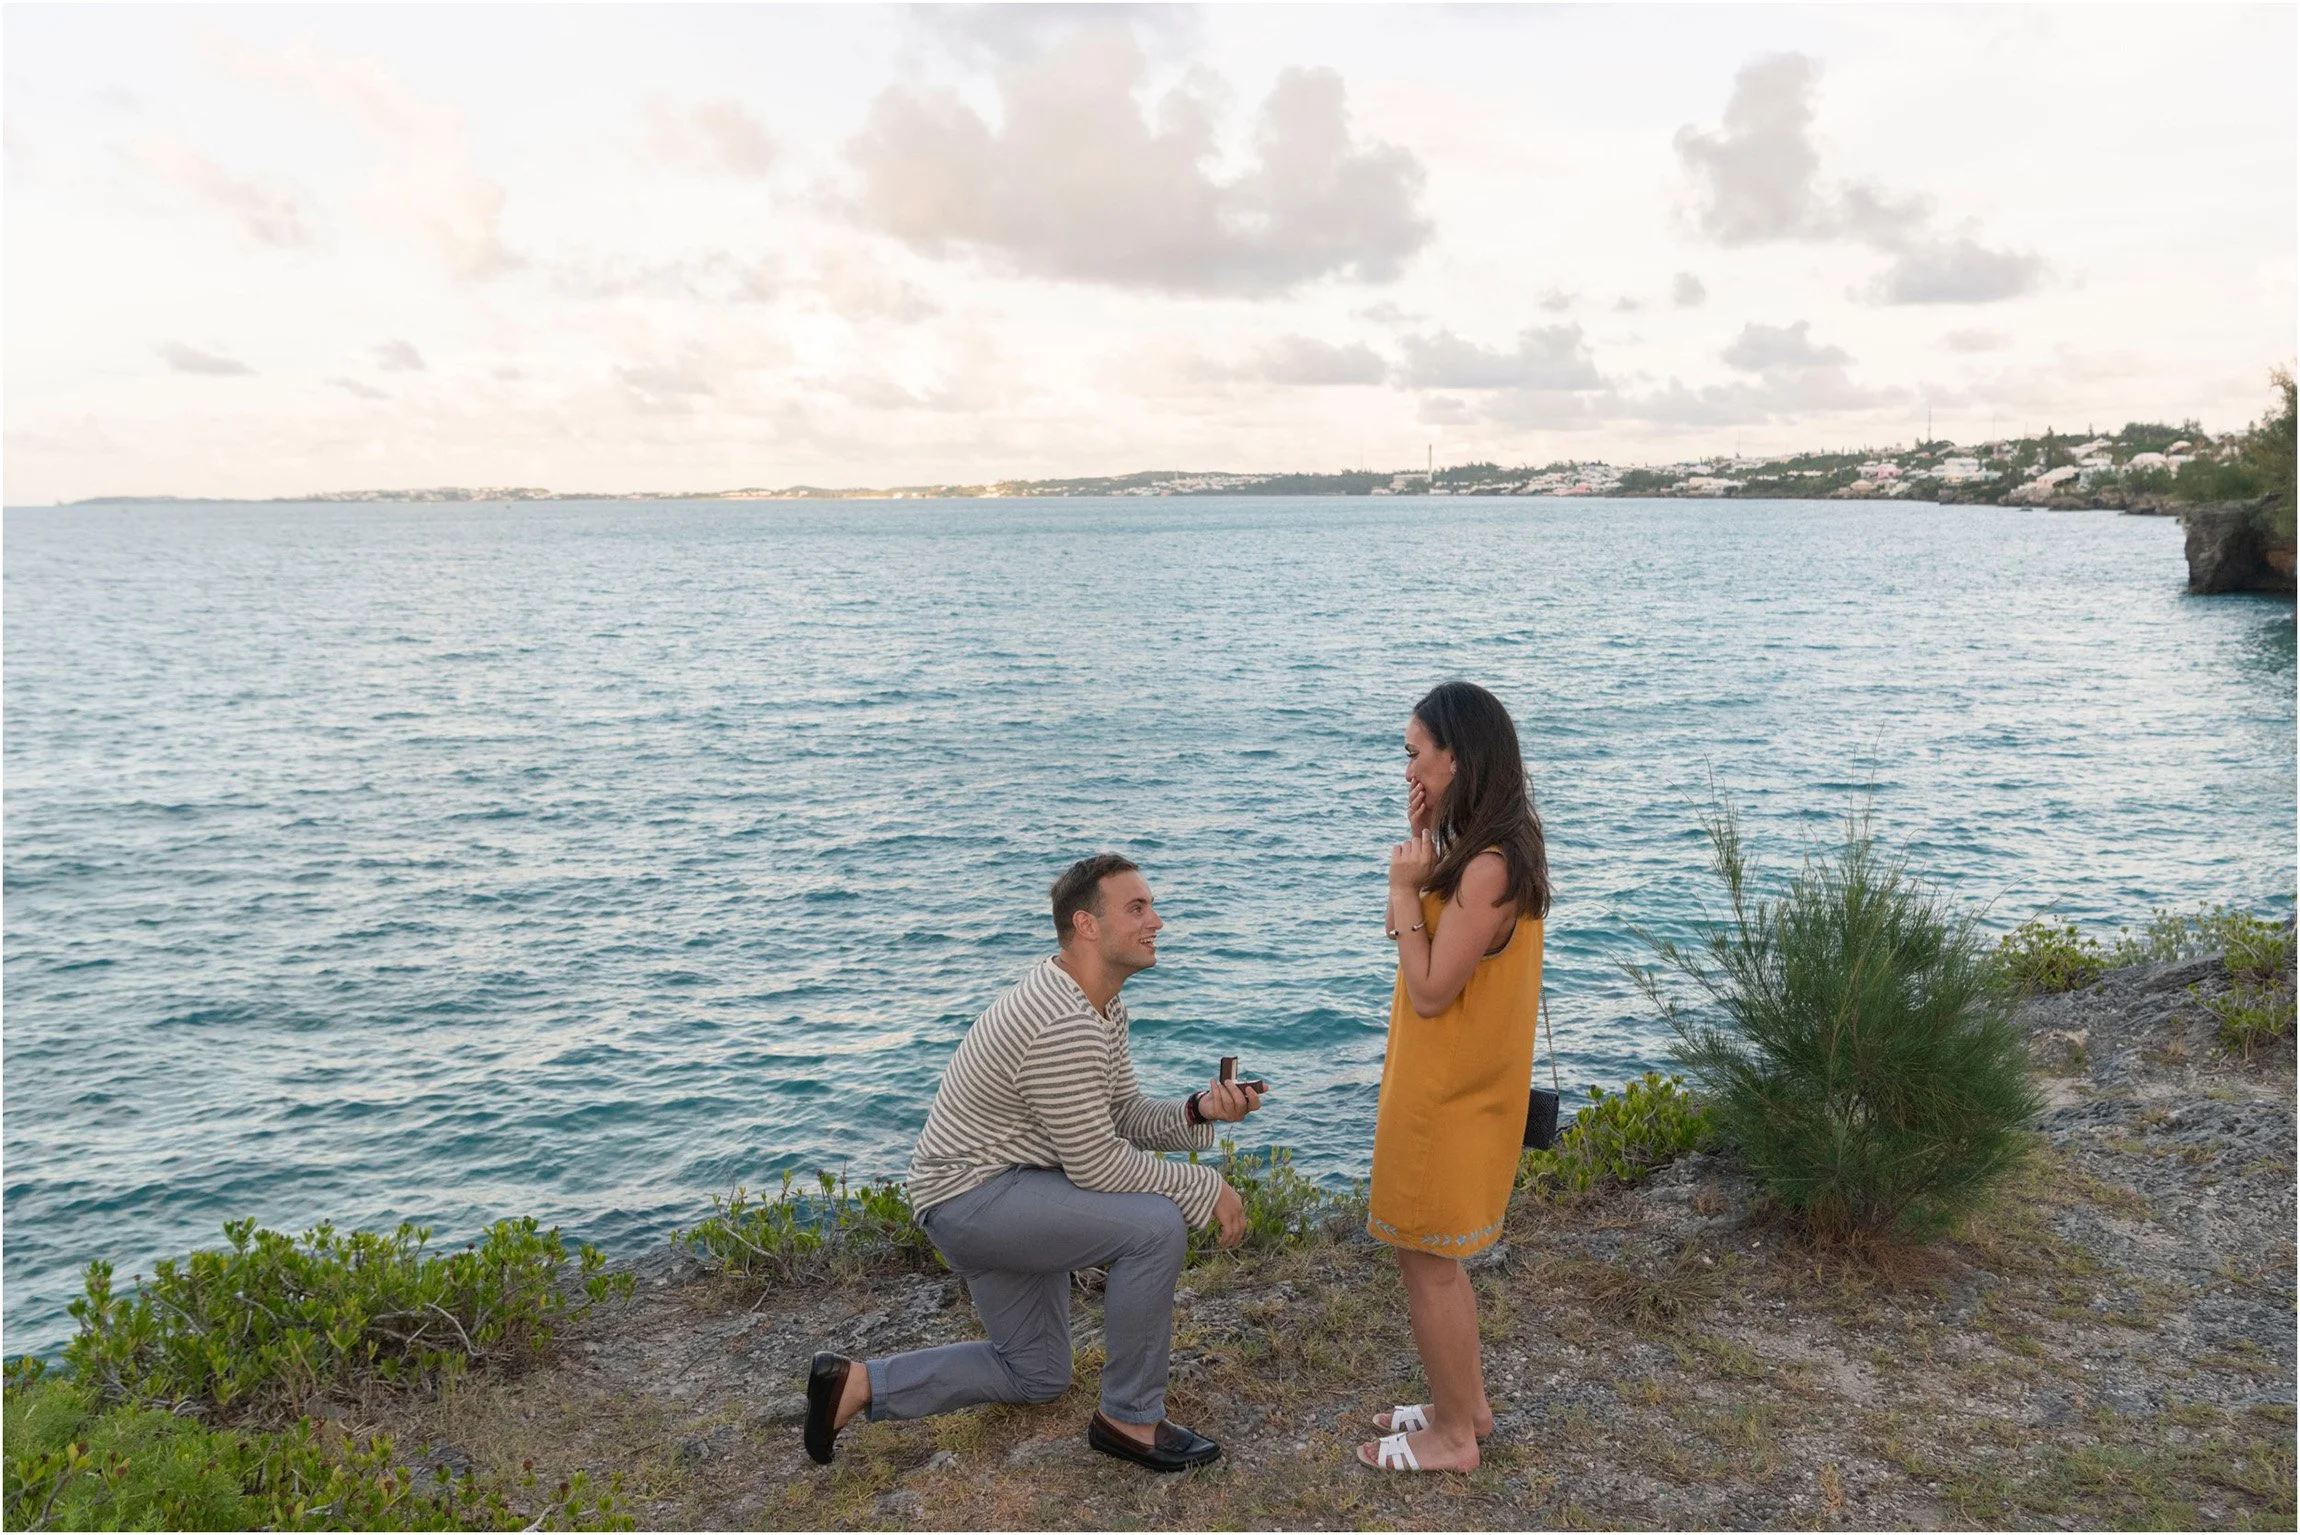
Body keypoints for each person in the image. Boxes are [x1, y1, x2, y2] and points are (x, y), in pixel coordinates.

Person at [802, 853, 1264, 1472]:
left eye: (1150, 905)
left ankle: (858, 1385)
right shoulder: (1060, 1019)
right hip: (975, 1200)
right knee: (1156, 1226)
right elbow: (1099, 1165)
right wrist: (1201, 1185)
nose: (1157, 920)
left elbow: (1122, 1115)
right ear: (1087, 925)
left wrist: (1200, 1111)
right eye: (1137, 907)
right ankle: (1130, 1418)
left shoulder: (1097, 1003)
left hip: (1007, 1192)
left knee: (1036, 1373)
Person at [1358, 681, 1551, 1474]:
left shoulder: (1488, 869)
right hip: (1452, 1083)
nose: (1406, 765)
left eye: (1414, 751)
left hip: (1448, 1093)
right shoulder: (1490, 848)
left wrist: (1405, 888)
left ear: (1455, 755)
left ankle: (1453, 1440)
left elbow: (1432, 989)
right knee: (1431, 1256)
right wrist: (1426, 845)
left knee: (1428, 1259)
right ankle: (1461, 1407)